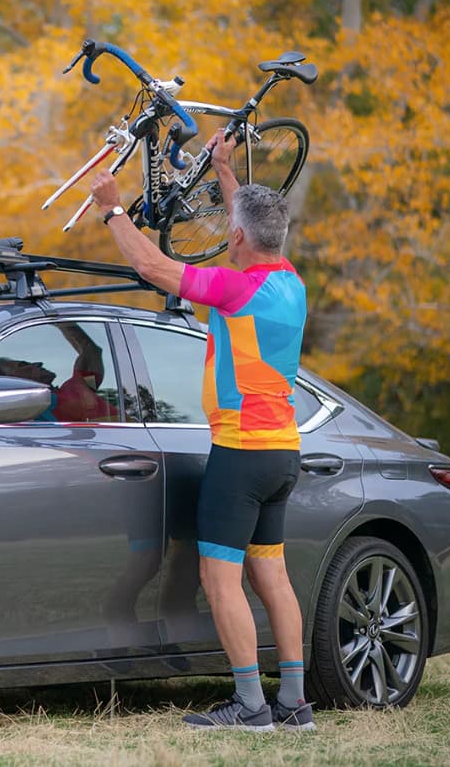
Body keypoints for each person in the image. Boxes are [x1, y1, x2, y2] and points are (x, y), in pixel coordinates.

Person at [89, 128, 313, 733]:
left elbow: (151, 265)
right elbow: (250, 222)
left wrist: (112, 205)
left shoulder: (235, 289)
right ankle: (294, 705)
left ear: (237, 237)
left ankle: (250, 707)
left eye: (230, 230)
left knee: (222, 579)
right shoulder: (288, 282)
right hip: (282, 453)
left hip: (240, 456)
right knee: (271, 574)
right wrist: (222, 169)